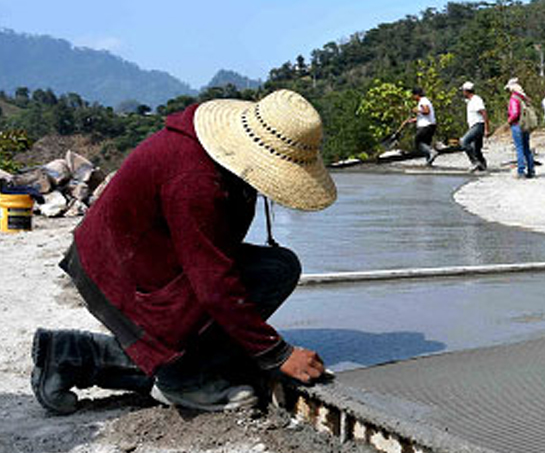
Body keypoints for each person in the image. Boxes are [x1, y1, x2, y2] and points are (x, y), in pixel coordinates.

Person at [31, 89, 336, 414]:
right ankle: (182, 379)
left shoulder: (216, 159)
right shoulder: (195, 180)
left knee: (278, 267)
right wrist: (276, 353)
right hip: (120, 271)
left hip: (139, 256)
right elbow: (214, 283)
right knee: (263, 283)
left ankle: (69, 353)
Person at [505, 78, 536, 178]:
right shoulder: (524, 98)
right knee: (527, 148)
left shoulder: (514, 99)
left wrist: (508, 122)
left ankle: (521, 171)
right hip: (525, 125)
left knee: (519, 148)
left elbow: (515, 113)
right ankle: (531, 171)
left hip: (517, 125)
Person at [460, 81, 489, 172]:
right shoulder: (471, 101)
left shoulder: (476, 100)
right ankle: (482, 164)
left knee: (464, 141)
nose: (462, 93)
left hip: (478, 125)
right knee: (476, 148)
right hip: (475, 126)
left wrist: (487, 128)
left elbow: (484, 113)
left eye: (463, 91)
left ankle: (475, 162)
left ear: (466, 91)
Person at [407, 87, 438, 166]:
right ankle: (429, 162)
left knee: (418, 142)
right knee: (425, 144)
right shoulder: (424, 101)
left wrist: (417, 110)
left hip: (426, 126)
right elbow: (423, 116)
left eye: (413, 95)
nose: (413, 97)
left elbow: (427, 111)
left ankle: (431, 152)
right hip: (430, 125)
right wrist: (412, 120)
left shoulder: (423, 101)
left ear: (417, 95)